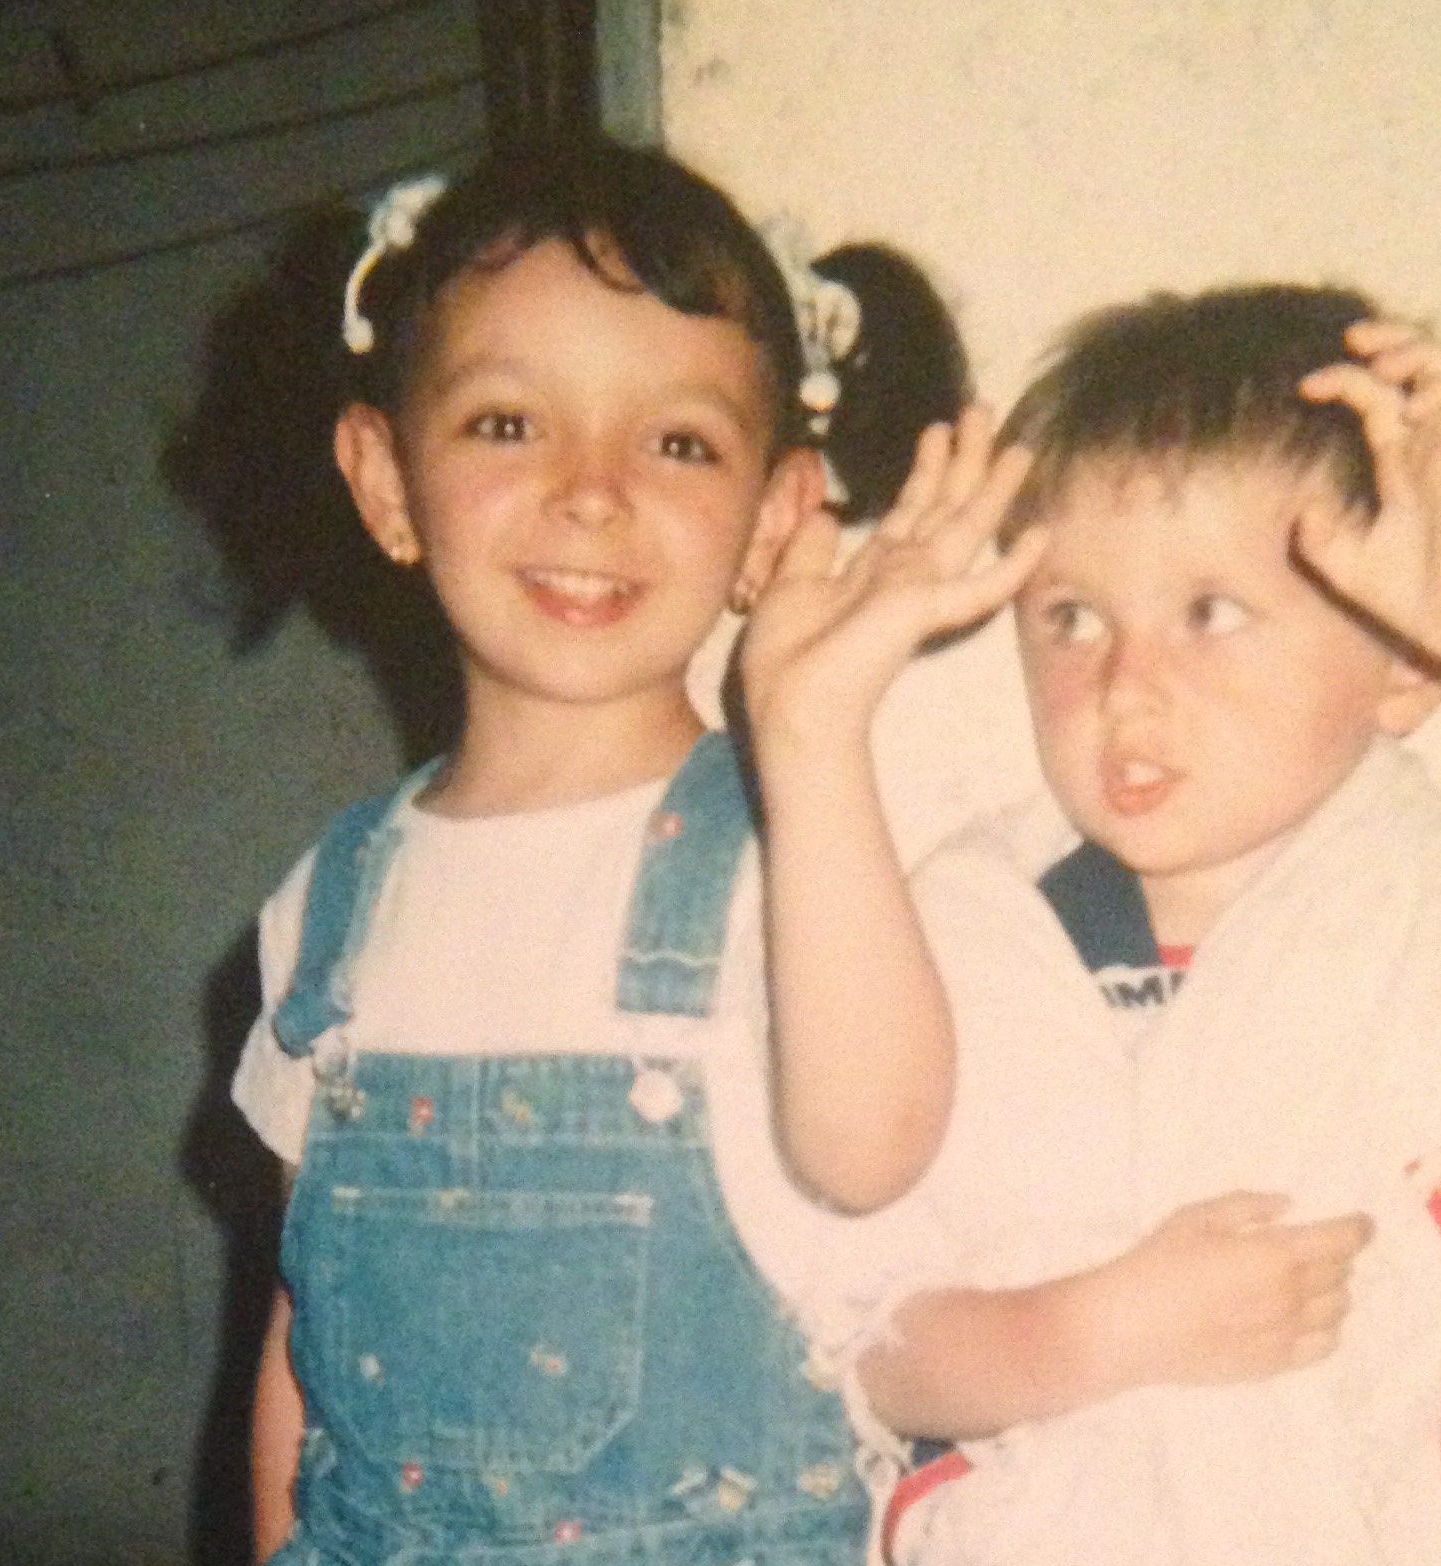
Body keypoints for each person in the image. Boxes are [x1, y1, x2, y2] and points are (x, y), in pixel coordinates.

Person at [838, 285, 1441, 1566]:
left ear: (1407, 659)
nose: (1126, 685)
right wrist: (1097, 1332)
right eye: (1072, 619)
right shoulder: (955, 934)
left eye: (1212, 612)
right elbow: (873, 1352)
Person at [227, 134, 1067, 1566]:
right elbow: (306, 1340)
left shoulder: (796, 854)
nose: (594, 490)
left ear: (777, 516)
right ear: (382, 477)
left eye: (677, 441)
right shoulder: (333, 902)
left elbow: (869, 1155)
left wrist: (812, 733)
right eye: (509, 423)